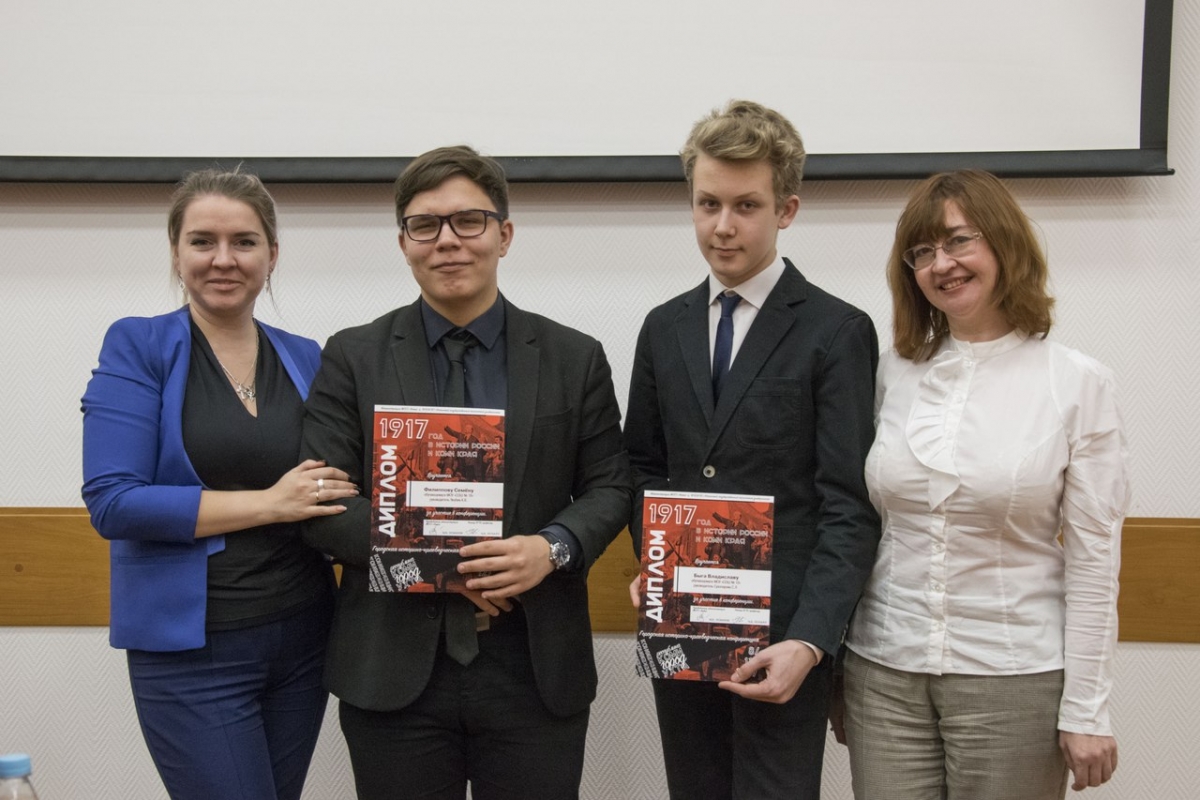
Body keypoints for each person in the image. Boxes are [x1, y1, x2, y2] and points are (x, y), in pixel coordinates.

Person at [299, 145, 632, 800]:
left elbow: (611, 485)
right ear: (404, 243)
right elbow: (325, 503)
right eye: (425, 225)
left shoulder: (574, 357)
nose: (447, 240)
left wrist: (551, 548)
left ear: (504, 235)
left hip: (533, 665)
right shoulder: (352, 356)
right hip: (393, 670)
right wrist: (449, 565)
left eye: (468, 221)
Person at [839, 170, 1130, 799]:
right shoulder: (888, 375)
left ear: (1003, 242)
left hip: (1014, 678)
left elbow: (1094, 560)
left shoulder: (1076, 382)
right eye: (922, 251)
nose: (941, 264)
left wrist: (1087, 708)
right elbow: (852, 524)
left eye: (958, 241)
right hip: (883, 673)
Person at [623, 99, 881, 799]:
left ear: (786, 210)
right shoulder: (663, 327)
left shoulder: (836, 330)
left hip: (784, 642)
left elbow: (848, 505)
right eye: (708, 203)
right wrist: (656, 559)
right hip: (683, 624)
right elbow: (643, 467)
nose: (723, 226)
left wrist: (812, 641)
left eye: (746, 206)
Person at [81, 169, 358, 800]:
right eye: (203, 241)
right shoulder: (139, 345)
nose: (224, 259)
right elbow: (114, 502)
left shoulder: (306, 355)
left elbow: (342, 480)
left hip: (304, 638)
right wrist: (270, 504)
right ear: (176, 253)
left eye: (244, 242)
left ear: (272, 255)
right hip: (193, 652)